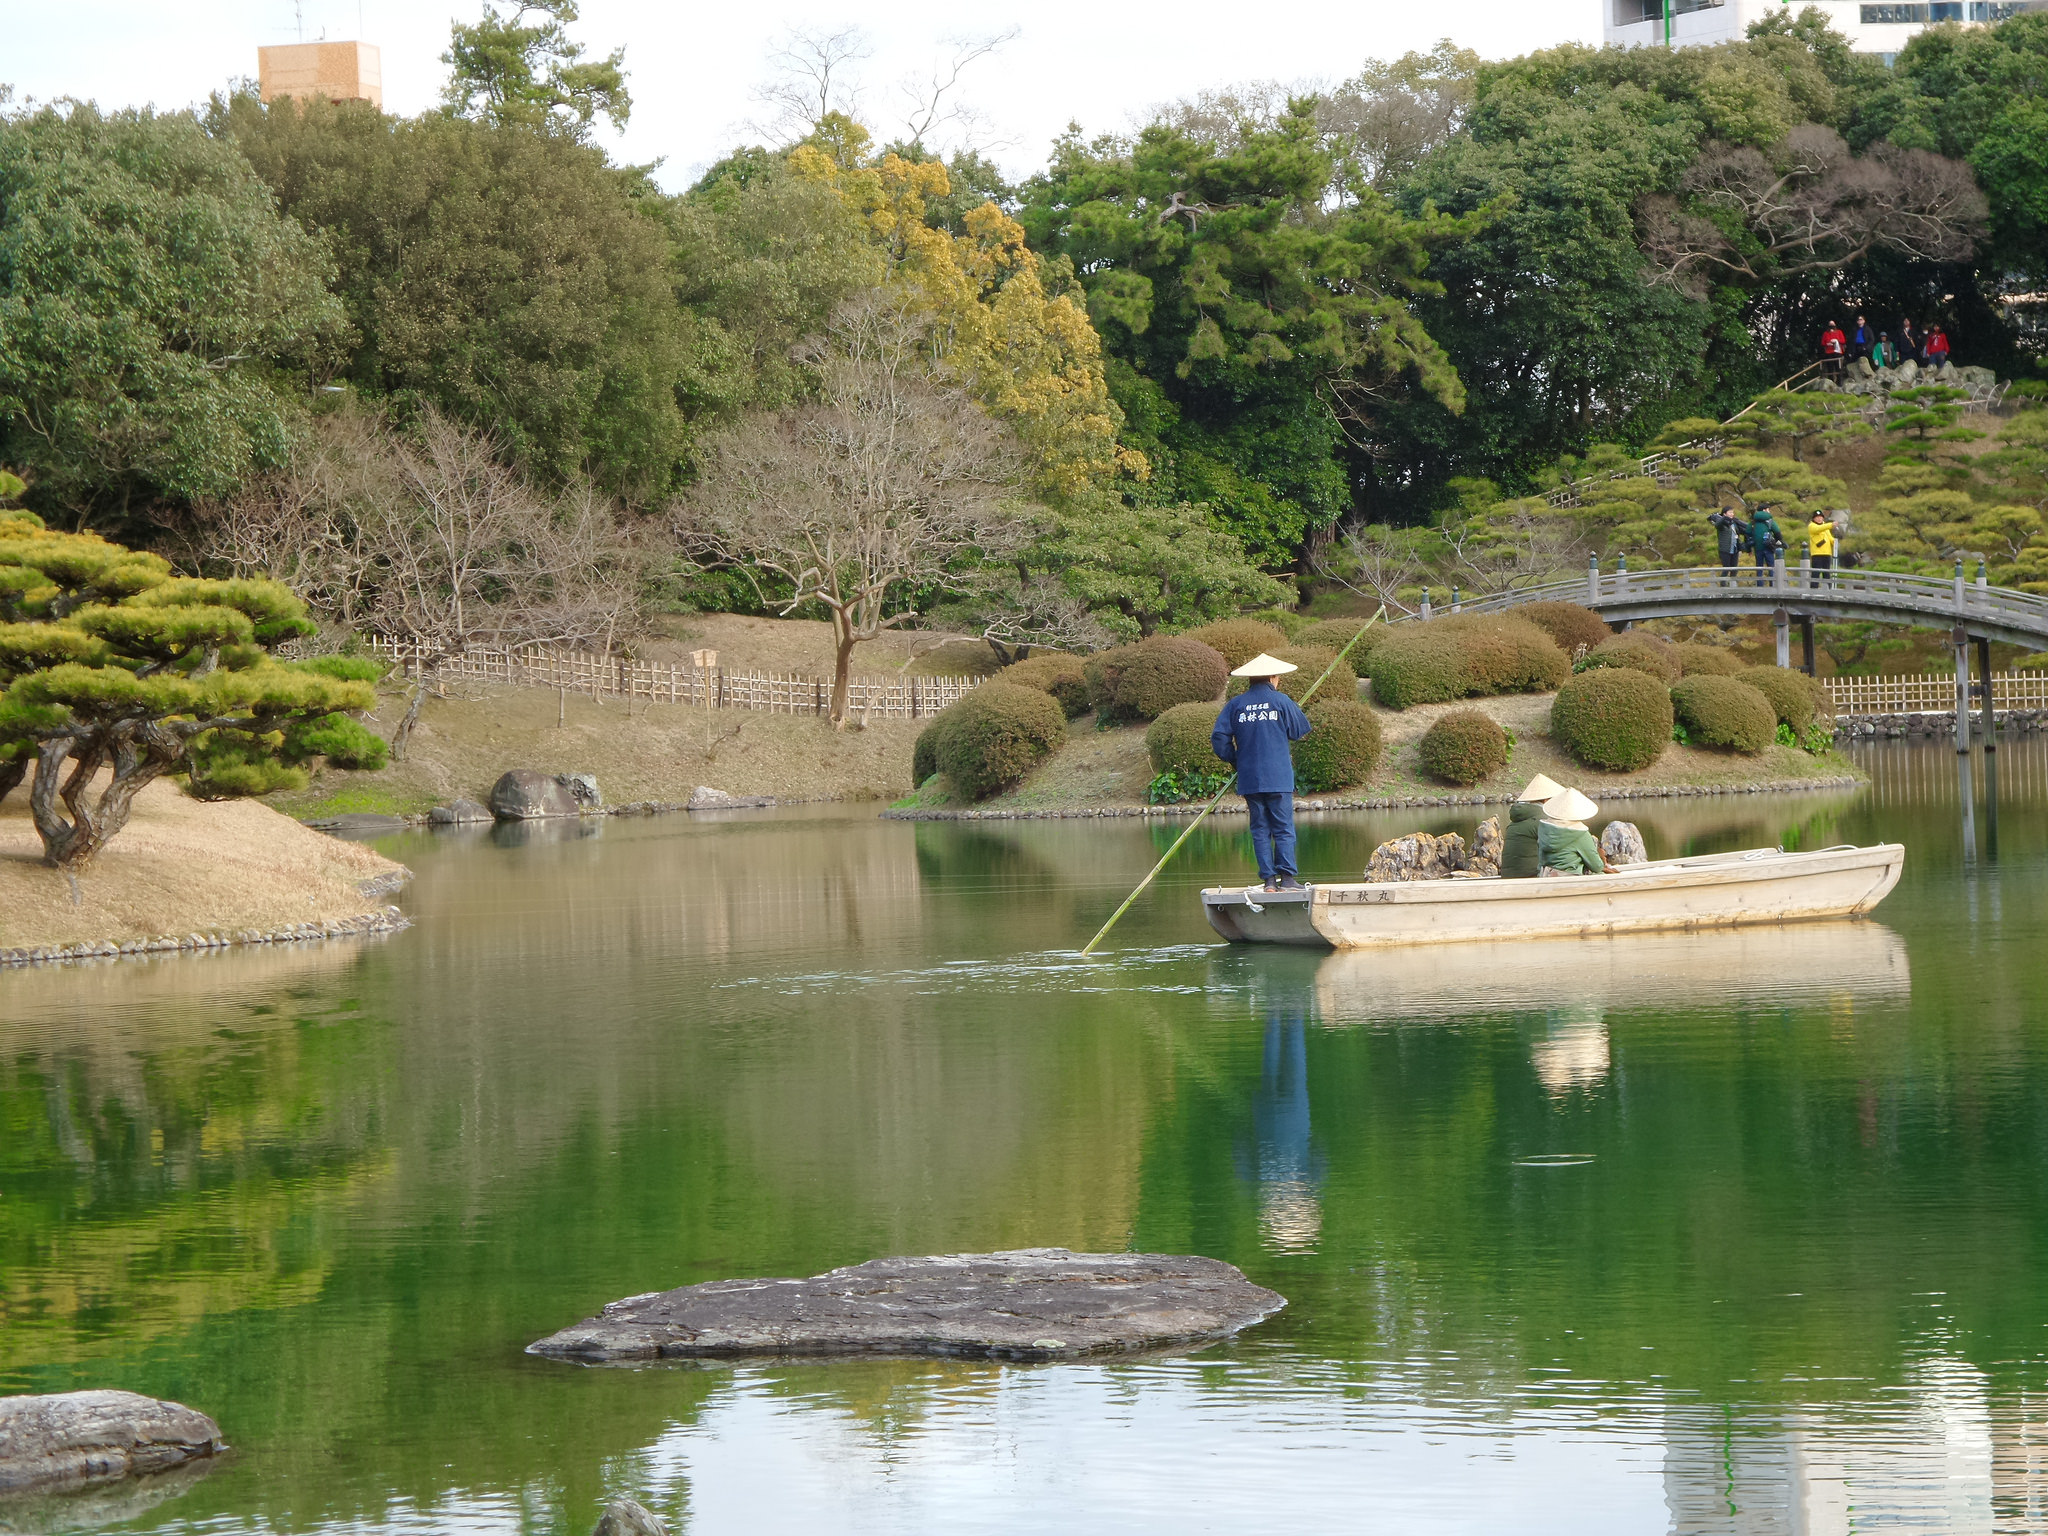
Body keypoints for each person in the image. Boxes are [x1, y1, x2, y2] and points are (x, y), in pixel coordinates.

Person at [1211, 653, 1313, 893]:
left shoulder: (1236, 705)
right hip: (1278, 776)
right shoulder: (1281, 701)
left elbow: (1218, 737)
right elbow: (1300, 730)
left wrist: (1234, 759)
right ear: (1273, 677)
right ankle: (1287, 879)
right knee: (1283, 827)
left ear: (1250, 679)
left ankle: (1268, 881)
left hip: (1250, 776)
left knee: (1260, 828)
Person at [1538, 789, 1617, 876]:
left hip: (1545, 875)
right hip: (1571, 878)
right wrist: (1601, 857)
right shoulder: (1580, 834)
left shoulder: (1545, 829)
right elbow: (1596, 867)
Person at [1499, 773, 1564, 879]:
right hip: (1529, 876)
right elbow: (1559, 849)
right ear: (1546, 800)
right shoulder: (1542, 820)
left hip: (1508, 876)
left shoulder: (1519, 818)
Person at [1748, 503, 1784, 588]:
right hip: (1768, 547)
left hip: (1757, 547)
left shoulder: (1753, 521)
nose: (1769, 511)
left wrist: (1749, 548)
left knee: (1759, 567)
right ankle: (1773, 585)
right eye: (1768, 509)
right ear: (1764, 510)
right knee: (1771, 567)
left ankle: (1760, 586)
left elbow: (1748, 532)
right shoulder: (1769, 520)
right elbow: (1777, 532)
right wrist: (1780, 542)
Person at [1709, 506, 1747, 581]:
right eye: (1730, 512)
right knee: (1726, 568)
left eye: (1732, 512)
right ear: (1724, 514)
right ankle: (1723, 585)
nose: (1732, 514)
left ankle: (1732, 586)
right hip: (1725, 549)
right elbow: (1717, 524)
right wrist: (1724, 518)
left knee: (1734, 569)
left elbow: (1744, 530)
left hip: (1735, 548)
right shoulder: (1722, 524)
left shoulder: (1734, 523)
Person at [1807, 509, 1837, 588]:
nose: (1819, 519)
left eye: (1820, 517)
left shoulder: (1825, 526)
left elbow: (1830, 538)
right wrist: (1831, 525)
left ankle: (1828, 589)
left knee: (1826, 573)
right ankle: (1814, 589)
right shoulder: (1812, 526)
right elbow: (1818, 529)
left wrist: (1836, 543)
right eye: (1817, 517)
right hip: (1817, 554)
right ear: (1813, 518)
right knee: (1816, 573)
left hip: (1827, 553)